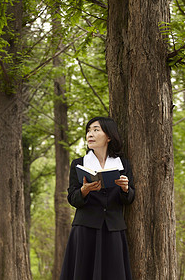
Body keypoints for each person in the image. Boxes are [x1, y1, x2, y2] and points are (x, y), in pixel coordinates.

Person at [60, 116, 135, 280]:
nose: (90, 135)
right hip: (85, 228)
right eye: (88, 131)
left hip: (113, 229)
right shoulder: (79, 164)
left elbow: (129, 198)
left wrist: (125, 188)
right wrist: (84, 191)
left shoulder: (123, 164)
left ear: (108, 136)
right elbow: (72, 198)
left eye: (96, 130)